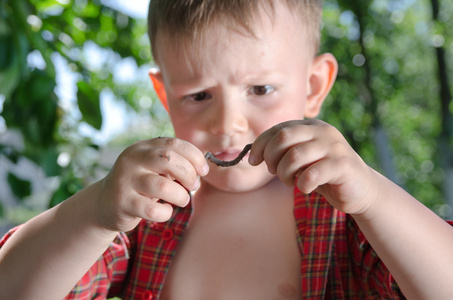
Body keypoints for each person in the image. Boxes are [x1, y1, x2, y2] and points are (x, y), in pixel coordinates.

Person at [1, 0, 453, 299]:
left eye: (261, 88)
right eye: (198, 96)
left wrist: (373, 197)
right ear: (165, 95)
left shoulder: (345, 219)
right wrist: (94, 210)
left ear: (313, 86)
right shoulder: (147, 216)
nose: (227, 124)